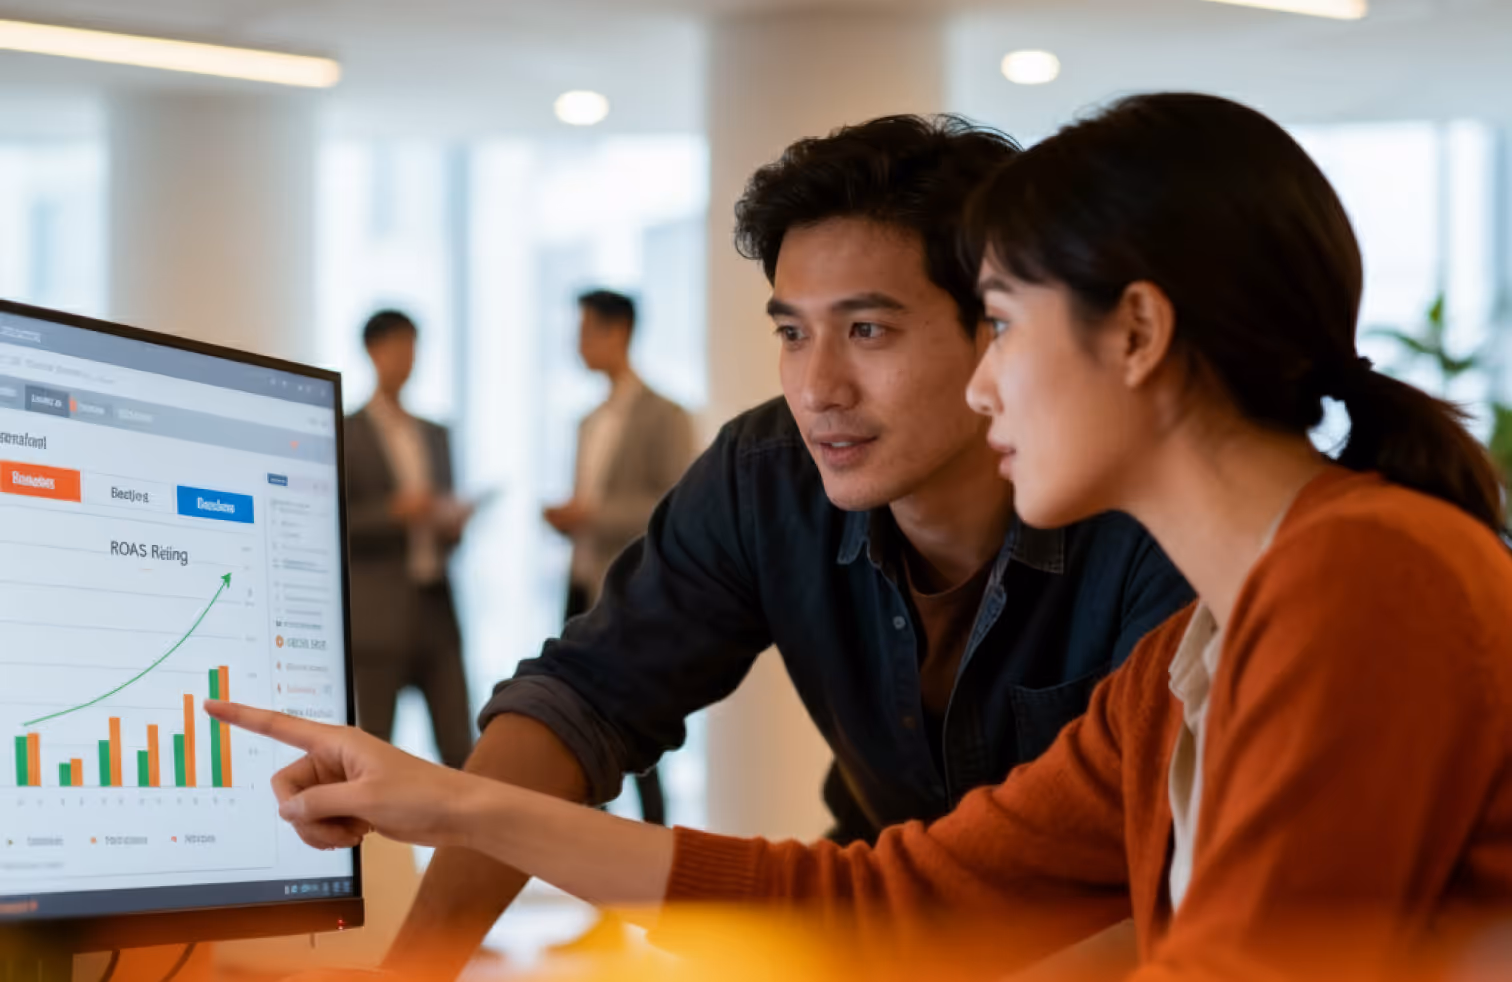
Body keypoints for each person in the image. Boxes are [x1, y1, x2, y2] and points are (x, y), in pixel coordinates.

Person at [224, 94, 1512, 979]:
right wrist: (453, 801)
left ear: (1136, 333)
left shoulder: (1363, 578)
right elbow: (887, 900)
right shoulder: (1180, 673)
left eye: (1000, 323)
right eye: (794, 331)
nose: (987, 383)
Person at [543, 287, 697, 828]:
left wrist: (592, 514)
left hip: (635, 596)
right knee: (583, 726)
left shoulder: (667, 415)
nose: (577, 344)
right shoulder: (586, 421)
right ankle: (598, 861)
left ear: (618, 333)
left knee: (644, 733)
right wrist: (571, 521)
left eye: (586, 331)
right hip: (583, 588)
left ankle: (656, 865)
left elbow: (674, 503)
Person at [345, 310, 474, 769]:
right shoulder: (346, 431)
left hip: (436, 604)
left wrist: (451, 524)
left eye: (413, 347)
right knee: (377, 750)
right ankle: (379, 845)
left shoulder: (435, 434)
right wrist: (394, 513)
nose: (406, 358)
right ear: (373, 352)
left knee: (461, 747)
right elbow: (338, 522)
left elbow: (444, 523)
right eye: (397, 347)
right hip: (378, 613)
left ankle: (463, 844)